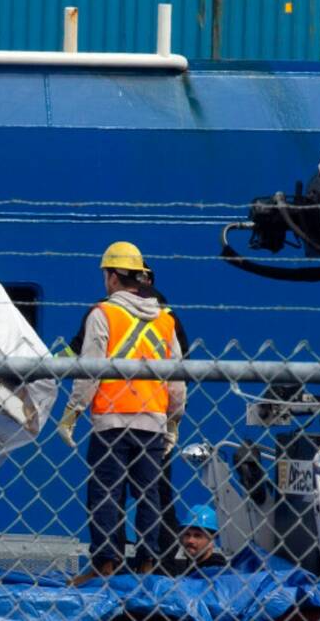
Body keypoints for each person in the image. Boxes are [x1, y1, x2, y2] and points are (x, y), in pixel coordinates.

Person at [59, 241, 185, 580]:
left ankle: (106, 565)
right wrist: (174, 421)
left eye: (106, 274)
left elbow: (90, 370)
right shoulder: (165, 320)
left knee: (105, 494)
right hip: (153, 422)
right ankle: (147, 564)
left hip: (111, 423)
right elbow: (177, 378)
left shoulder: (103, 314)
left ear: (113, 277)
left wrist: (72, 413)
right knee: (149, 496)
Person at [137, 264, 189, 573]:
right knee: (156, 491)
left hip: (116, 415)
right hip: (156, 416)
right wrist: (173, 418)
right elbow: (182, 368)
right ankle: (158, 558)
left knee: (111, 492)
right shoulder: (169, 319)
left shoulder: (112, 312)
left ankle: (111, 559)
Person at [176, 504, 228, 576]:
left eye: (197, 536)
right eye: (187, 534)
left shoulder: (215, 570)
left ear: (211, 541)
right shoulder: (193, 565)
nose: (190, 540)